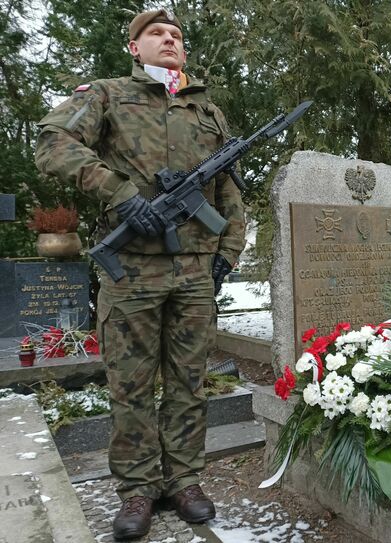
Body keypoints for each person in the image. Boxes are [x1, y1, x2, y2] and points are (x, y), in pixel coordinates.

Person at [34, 9, 245, 540]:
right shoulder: (105, 95)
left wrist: (229, 253)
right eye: (157, 34)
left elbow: (227, 193)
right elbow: (53, 145)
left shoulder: (209, 112)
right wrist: (122, 195)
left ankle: (185, 482)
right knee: (130, 386)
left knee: (188, 384)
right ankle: (137, 490)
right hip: (131, 272)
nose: (170, 40)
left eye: (176, 36)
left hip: (195, 273)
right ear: (134, 48)